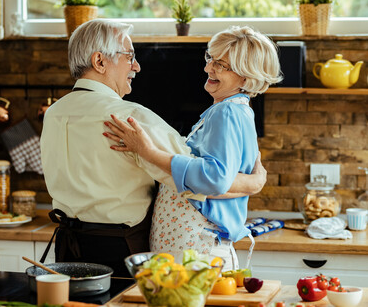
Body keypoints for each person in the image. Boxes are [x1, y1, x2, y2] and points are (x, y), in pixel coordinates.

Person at [40, 19, 266, 277]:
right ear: (100, 62)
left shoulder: (54, 113)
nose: (136, 66)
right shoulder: (132, 118)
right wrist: (254, 183)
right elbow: (199, 181)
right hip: (119, 251)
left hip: (66, 248)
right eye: (130, 56)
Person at [103, 25, 282, 271]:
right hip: (192, 244)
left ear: (246, 76)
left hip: (196, 247)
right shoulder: (232, 110)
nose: (209, 68)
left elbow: (214, 177)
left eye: (222, 65)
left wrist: (147, 151)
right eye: (211, 58)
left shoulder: (226, 112)